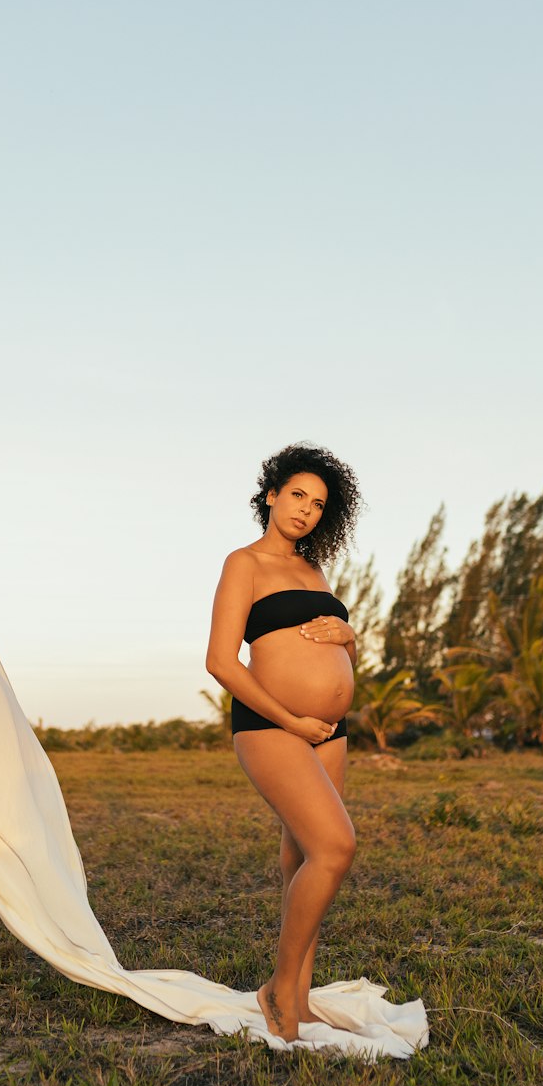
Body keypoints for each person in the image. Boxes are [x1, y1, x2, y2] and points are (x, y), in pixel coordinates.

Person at [205, 442, 361, 1043]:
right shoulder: (244, 563)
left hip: (329, 732)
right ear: (271, 494)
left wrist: (350, 638)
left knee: (303, 857)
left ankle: (298, 995)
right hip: (272, 725)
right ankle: (276, 987)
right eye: (297, 495)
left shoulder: (315, 572)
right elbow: (221, 661)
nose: (305, 510)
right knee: (336, 847)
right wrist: (292, 721)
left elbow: (341, 658)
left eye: (318, 504)